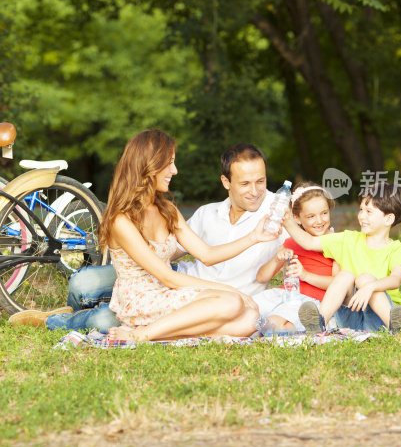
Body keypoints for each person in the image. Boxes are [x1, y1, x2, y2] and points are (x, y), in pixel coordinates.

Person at [8, 142, 287, 332]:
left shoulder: (278, 213)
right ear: (226, 183)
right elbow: (174, 260)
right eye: (245, 183)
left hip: (182, 287)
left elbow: (314, 233)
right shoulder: (206, 212)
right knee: (83, 283)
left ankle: (65, 320)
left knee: (107, 320)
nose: (254, 190)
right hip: (167, 282)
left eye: (260, 181)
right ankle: (76, 310)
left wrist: (256, 238)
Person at [101, 129, 277, 341]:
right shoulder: (121, 220)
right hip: (140, 301)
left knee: (250, 320)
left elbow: (207, 255)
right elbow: (168, 277)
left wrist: (253, 238)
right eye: (169, 163)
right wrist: (233, 291)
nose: (174, 171)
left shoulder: (168, 210)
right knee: (232, 302)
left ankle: (162, 332)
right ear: (148, 165)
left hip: (165, 294)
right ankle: (140, 335)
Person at [283, 182, 401, 333]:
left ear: (388, 219)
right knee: (345, 275)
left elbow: (396, 279)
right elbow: (309, 242)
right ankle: (319, 323)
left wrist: (369, 287)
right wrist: (287, 222)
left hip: (381, 319)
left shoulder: (397, 249)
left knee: (365, 279)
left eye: (368, 212)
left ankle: (397, 327)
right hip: (352, 318)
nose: (361, 216)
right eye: (361, 210)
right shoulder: (347, 240)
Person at [251, 182, 339, 332]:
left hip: (311, 301)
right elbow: (261, 277)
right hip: (284, 294)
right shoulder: (291, 242)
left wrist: (305, 275)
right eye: (311, 216)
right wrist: (277, 260)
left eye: (324, 213)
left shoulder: (336, 242)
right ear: (297, 218)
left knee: (273, 324)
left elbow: (338, 284)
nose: (319, 221)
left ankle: (303, 327)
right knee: (245, 309)